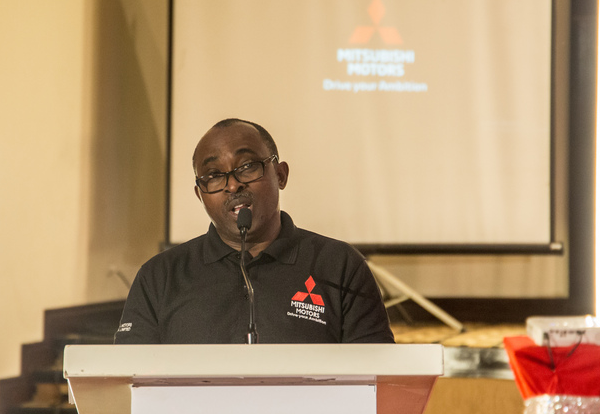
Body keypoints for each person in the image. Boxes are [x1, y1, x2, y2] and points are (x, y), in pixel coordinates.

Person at [114, 118, 394, 344]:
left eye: (247, 167)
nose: (233, 185)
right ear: (200, 195)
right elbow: (126, 386)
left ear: (281, 175)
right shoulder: (160, 276)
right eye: (213, 176)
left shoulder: (339, 265)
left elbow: (380, 384)